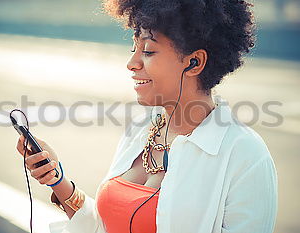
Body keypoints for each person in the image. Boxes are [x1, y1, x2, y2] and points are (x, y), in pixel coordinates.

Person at [16, 0, 278, 232]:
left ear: (195, 62)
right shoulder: (142, 129)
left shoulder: (246, 155)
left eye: (149, 51)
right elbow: (107, 226)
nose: (132, 63)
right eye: (134, 48)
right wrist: (58, 181)